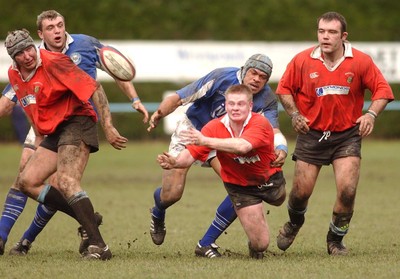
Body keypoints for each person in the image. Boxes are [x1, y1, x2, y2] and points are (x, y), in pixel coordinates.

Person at [0, 10, 149, 256]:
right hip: (54, 128)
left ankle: (99, 245)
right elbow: (20, 104)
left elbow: (95, 88)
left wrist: (108, 126)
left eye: (29, 50)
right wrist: (38, 134)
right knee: (27, 181)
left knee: (67, 181)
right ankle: (89, 218)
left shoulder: (54, 60)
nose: (27, 56)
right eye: (20, 53)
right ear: (12, 57)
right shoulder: (15, 74)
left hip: (78, 121)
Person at [275, 11, 394, 256]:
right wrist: (295, 115)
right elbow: (284, 89)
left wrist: (370, 114)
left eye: (331, 32)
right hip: (312, 133)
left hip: (347, 135)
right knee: (299, 194)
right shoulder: (302, 60)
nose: (325, 37)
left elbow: (383, 90)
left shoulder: (360, 61)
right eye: (321, 31)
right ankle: (294, 223)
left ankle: (335, 240)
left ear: (343, 36)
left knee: (348, 191)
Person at [147, 54, 288, 257]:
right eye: (253, 73)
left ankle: (207, 242)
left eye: (263, 77)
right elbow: (180, 97)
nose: (257, 79)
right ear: (244, 70)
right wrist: (159, 113)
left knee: (238, 184)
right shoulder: (221, 77)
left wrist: (281, 148)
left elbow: (273, 131)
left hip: (227, 141)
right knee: (172, 194)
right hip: (193, 131)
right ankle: (158, 211)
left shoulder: (266, 99)